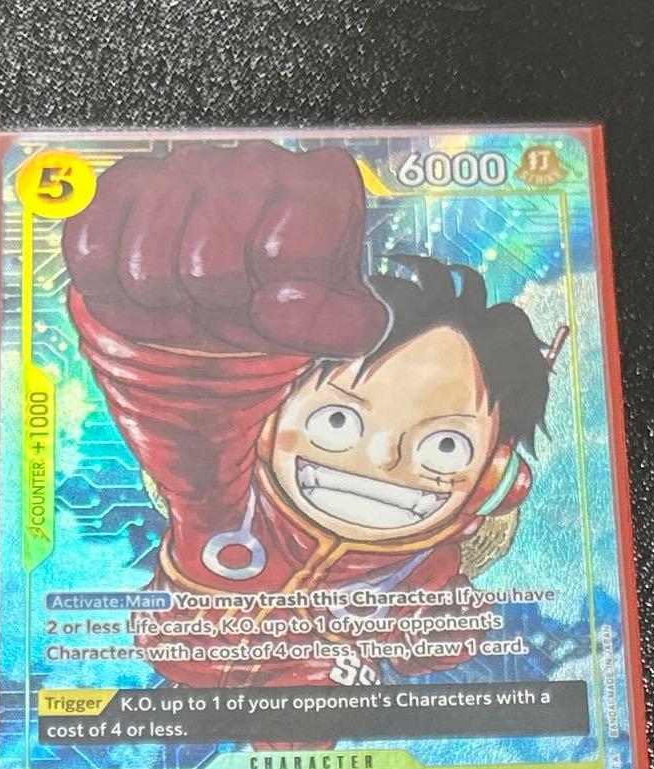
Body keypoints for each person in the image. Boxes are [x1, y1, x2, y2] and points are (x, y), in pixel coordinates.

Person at [63, 140, 559, 688]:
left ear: (497, 479)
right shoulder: (226, 504)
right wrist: (184, 347)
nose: (381, 458)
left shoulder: (424, 571)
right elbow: (191, 429)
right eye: (337, 422)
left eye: (446, 445)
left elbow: (430, 645)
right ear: (268, 425)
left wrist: (440, 631)